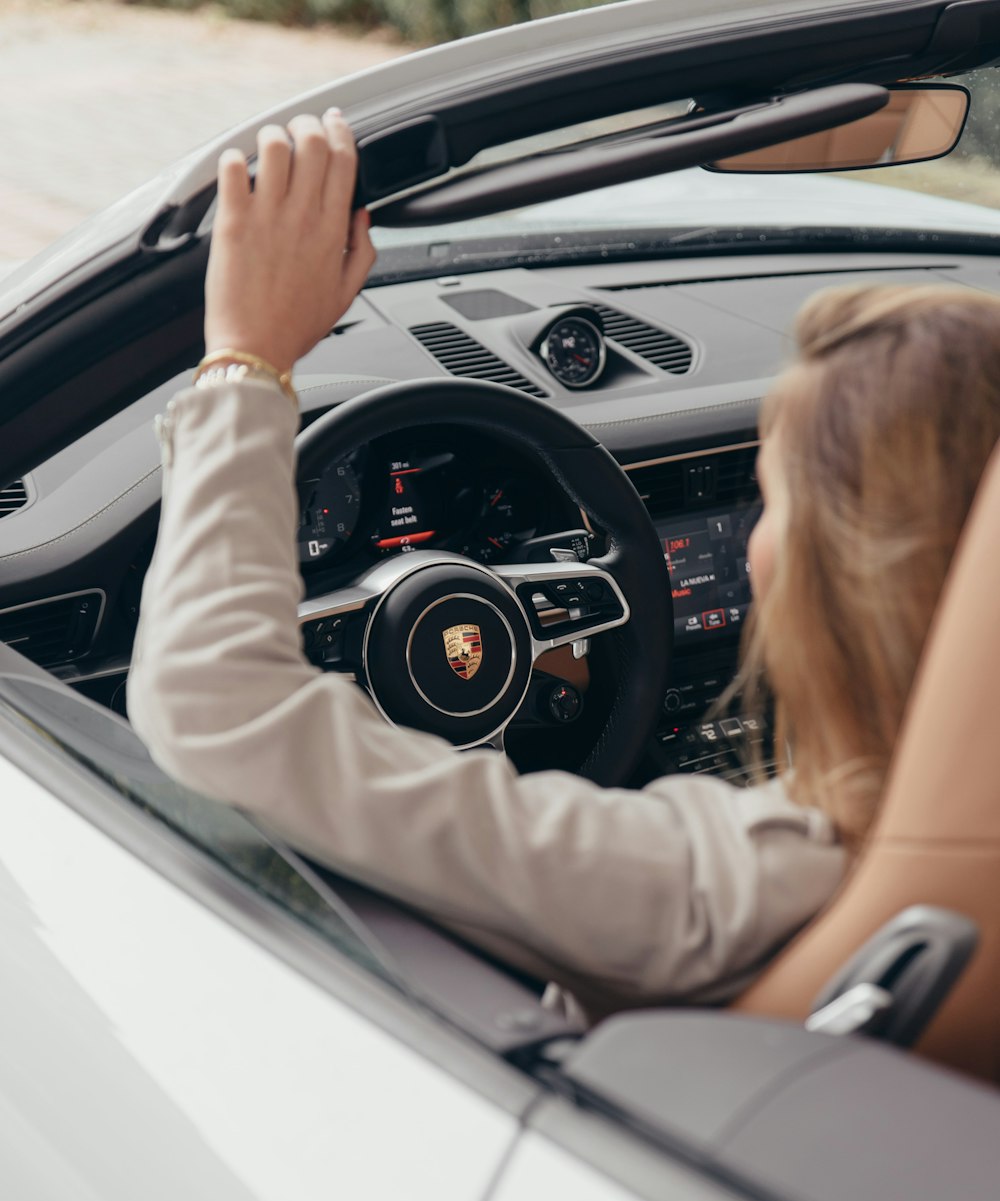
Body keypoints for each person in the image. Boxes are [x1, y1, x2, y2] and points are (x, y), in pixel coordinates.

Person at [126, 111, 1000, 1021]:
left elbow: (215, 703)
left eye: (774, 503)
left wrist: (246, 359)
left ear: (863, 577)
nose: (746, 546)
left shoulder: (716, 884)